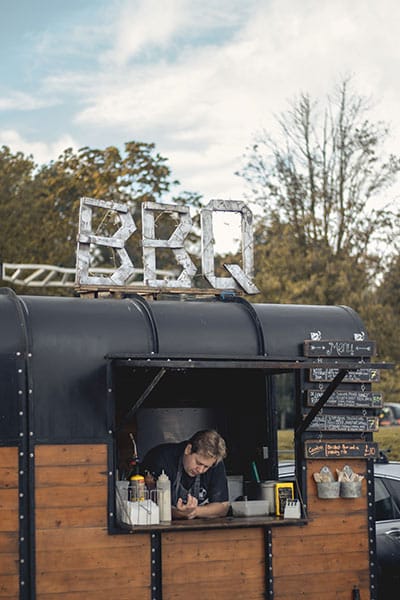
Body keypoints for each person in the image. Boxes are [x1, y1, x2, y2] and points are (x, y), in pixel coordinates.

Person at [141, 429, 230, 520]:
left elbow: (223, 507)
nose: (200, 470)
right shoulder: (161, 458)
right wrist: (177, 513)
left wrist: (194, 511)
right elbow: (147, 504)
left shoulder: (214, 463)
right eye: (198, 463)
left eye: (206, 467)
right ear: (188, 449)